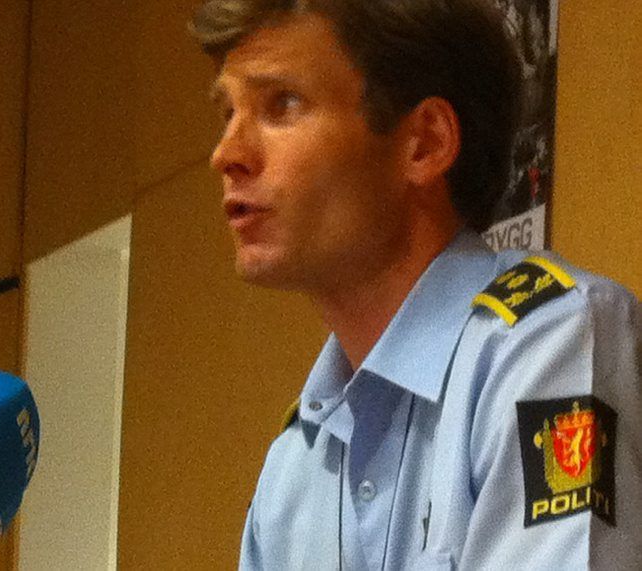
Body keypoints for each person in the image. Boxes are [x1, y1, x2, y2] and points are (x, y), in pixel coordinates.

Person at [190, 0, 641, 568]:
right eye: (228, 113)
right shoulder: (293, 466)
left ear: (424, 143)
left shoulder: (551, 344)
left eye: (282, 104)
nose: (226, 154)